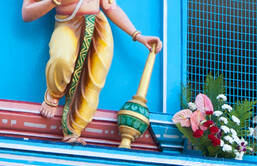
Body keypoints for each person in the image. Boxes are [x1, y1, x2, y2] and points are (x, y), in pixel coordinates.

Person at [22, 0, 162, 143]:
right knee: (61, 59)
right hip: (67, 23)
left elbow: (110, 7)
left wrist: (137, 35)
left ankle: (74, 131)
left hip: (98, 27)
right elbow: (27, 13)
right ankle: (53, 95)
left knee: (93, 82)